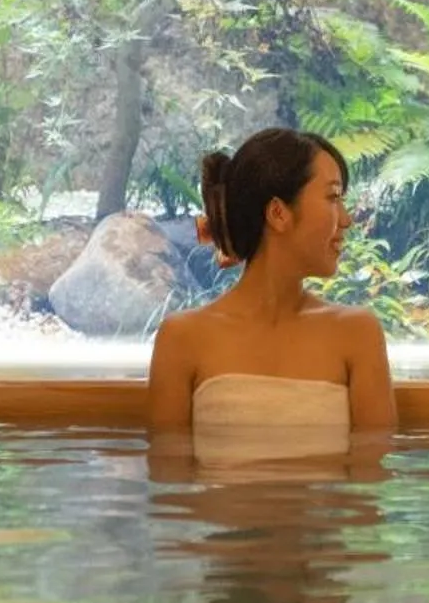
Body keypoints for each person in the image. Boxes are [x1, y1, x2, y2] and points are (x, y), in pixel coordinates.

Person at [145, 128, 396, 436]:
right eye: (333, 197)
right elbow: (171, 474)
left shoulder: (358, 335)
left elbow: (371, 471)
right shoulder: (182, 338)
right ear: (278, 213)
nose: (346, 219)